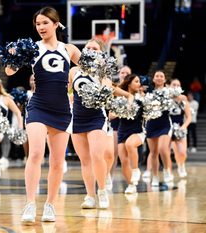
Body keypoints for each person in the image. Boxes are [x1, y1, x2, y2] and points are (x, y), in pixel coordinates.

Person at [5, 6, 81, 224]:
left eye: (45, 23)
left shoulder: (69, 49)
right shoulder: (33, 48)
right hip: (38, 106)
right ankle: (30, 204)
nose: (40, 27)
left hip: (62, 109)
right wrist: (12, 58)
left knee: (57, 162)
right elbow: (10, 71)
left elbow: (91, 69)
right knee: (36, 153)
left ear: (56, 24)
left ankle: (50, 205)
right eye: (37, 24)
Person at [69, 39, 133, 210]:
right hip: (77, 118)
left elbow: (106, 92)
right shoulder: (74, 70)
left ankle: (102, 190)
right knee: (85, 160)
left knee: (97, 155)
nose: (90, 49)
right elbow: (68, 91)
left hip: (96, 117)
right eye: (88, 47)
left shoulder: (103, 73)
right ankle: (90, 195)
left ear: (101, 53)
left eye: (94, 48)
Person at [144, 70, 174, 186]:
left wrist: (181, 98)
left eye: (162, 76)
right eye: (157, 76)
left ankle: (167, 170)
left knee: (162, 149)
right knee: (153, 152)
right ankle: (155, 176)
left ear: (165, 79)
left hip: (164, 124)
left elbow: (179, 96)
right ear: (153, 79)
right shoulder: (148, 92)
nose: (159, 78)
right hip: (151, 124)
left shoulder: (169, 91)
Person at [117, 73, 145, 194]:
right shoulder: (120, 98)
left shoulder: (142, 98)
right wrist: (114, 114)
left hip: (138, 131)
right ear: (129, 83)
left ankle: (136, 170)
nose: (139, 84)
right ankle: (131, 185)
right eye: (136, 81)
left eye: (139, 82)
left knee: (130, 144)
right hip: (122, 131)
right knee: (123, 161)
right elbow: (112, 114)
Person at [169, 79, 192, 178]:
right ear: (168, 85)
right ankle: (168, 172)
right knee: (171, 151)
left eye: (178, 85)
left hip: (180, 128)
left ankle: (181, 165)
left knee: (182, 152)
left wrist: (183, 127)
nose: (176, 86)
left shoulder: (183, 99)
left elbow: (189, 117)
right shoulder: (165, 98)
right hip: (168, 128)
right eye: (174, 84)